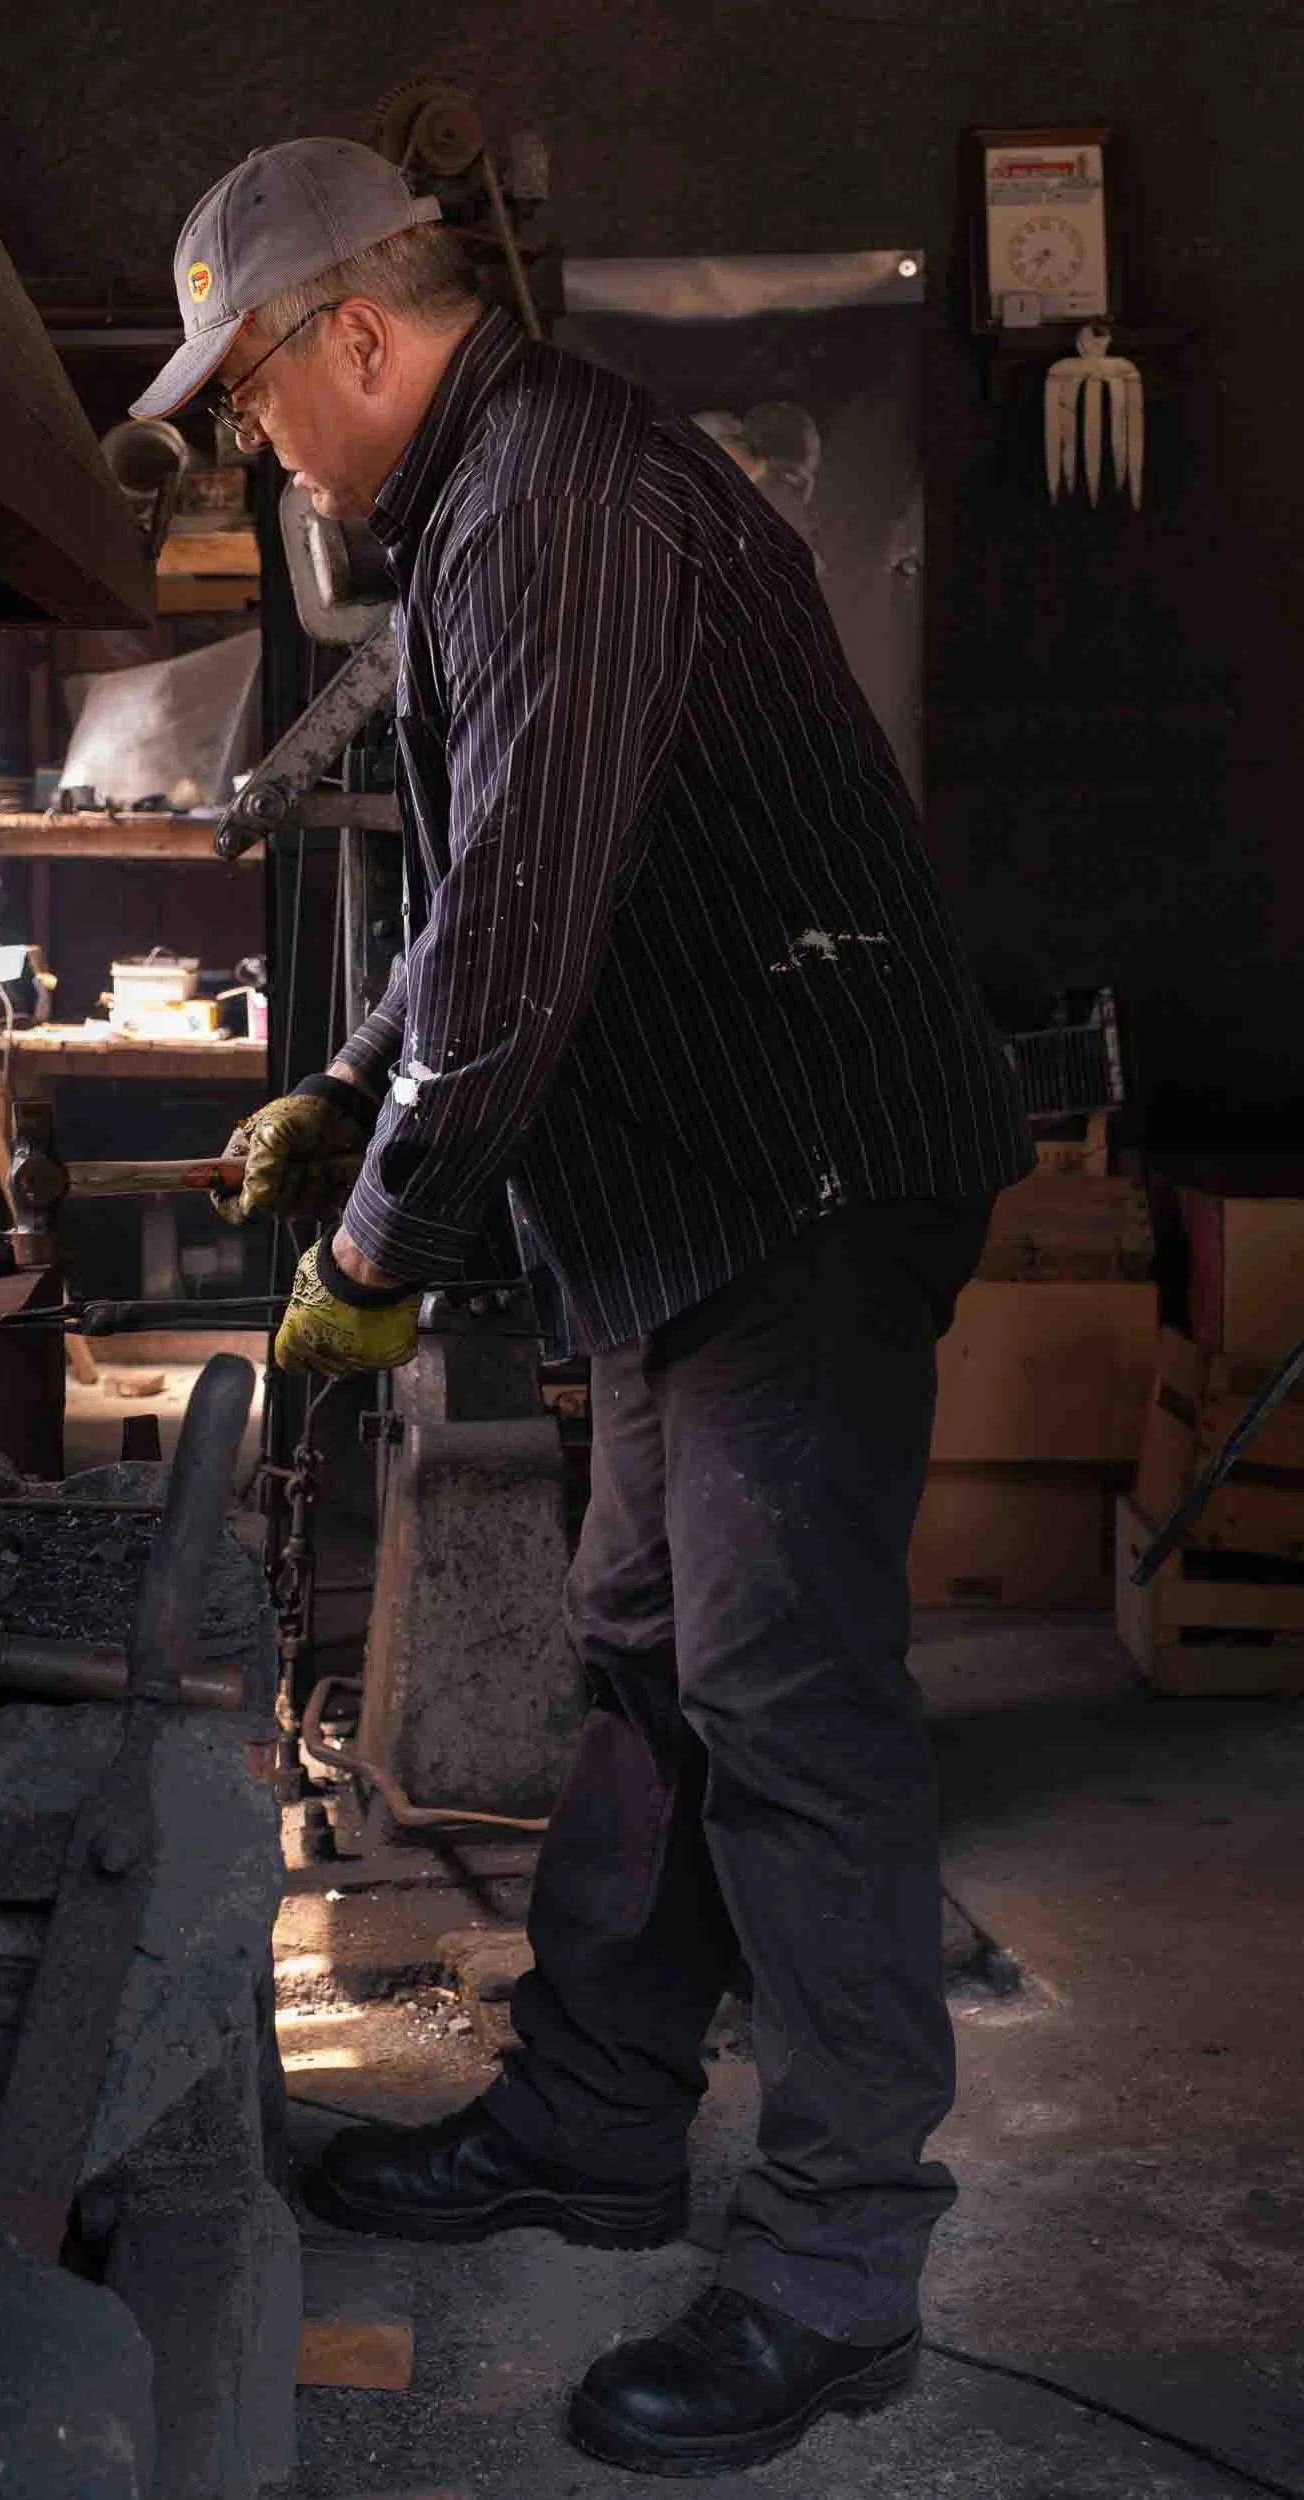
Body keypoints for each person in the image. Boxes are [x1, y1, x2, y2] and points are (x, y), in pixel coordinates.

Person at [131, 138, 1034, 2480]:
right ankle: (599, 2120)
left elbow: (520, 933)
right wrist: (351, 1088)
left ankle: (836, 2265)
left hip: (798, 1168)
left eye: (248, 391)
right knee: (642, 1656)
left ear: (352, 330)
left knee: (780, 1692)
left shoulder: (553, 501)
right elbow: (486, 897)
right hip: (686, 1194)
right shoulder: (486, 508)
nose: (252, 444)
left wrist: (371, 1255)